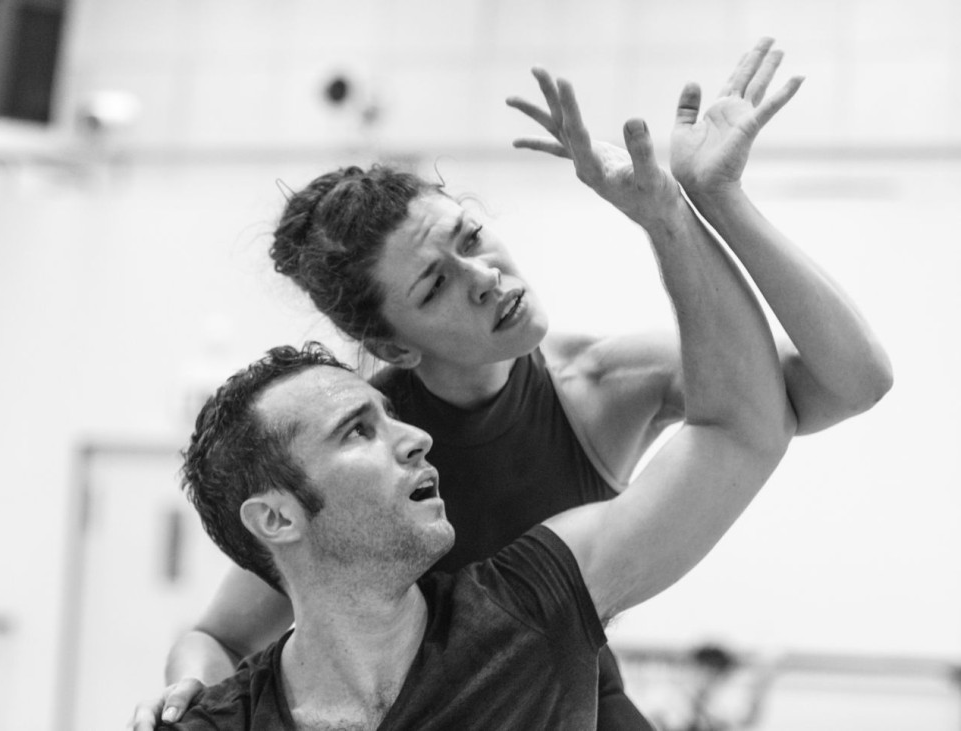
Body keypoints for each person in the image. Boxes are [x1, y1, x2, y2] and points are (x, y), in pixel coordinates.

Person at [128, 38, 892, 730]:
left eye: (471, 236)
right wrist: (187, 693)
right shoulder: (357, 457)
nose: (486, 278)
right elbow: (218, 635)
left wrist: (699, 203)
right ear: (390, 343)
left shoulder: (600, 382)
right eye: (435, 286)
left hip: (562, 693)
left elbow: (840, 386)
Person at [167, 314, 792, 729]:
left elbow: (746, 427)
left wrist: (681, 210)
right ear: (277, 517)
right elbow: (212, 640)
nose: (415, 437)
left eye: (391, 414)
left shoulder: (536, 602)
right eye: (358, 431)